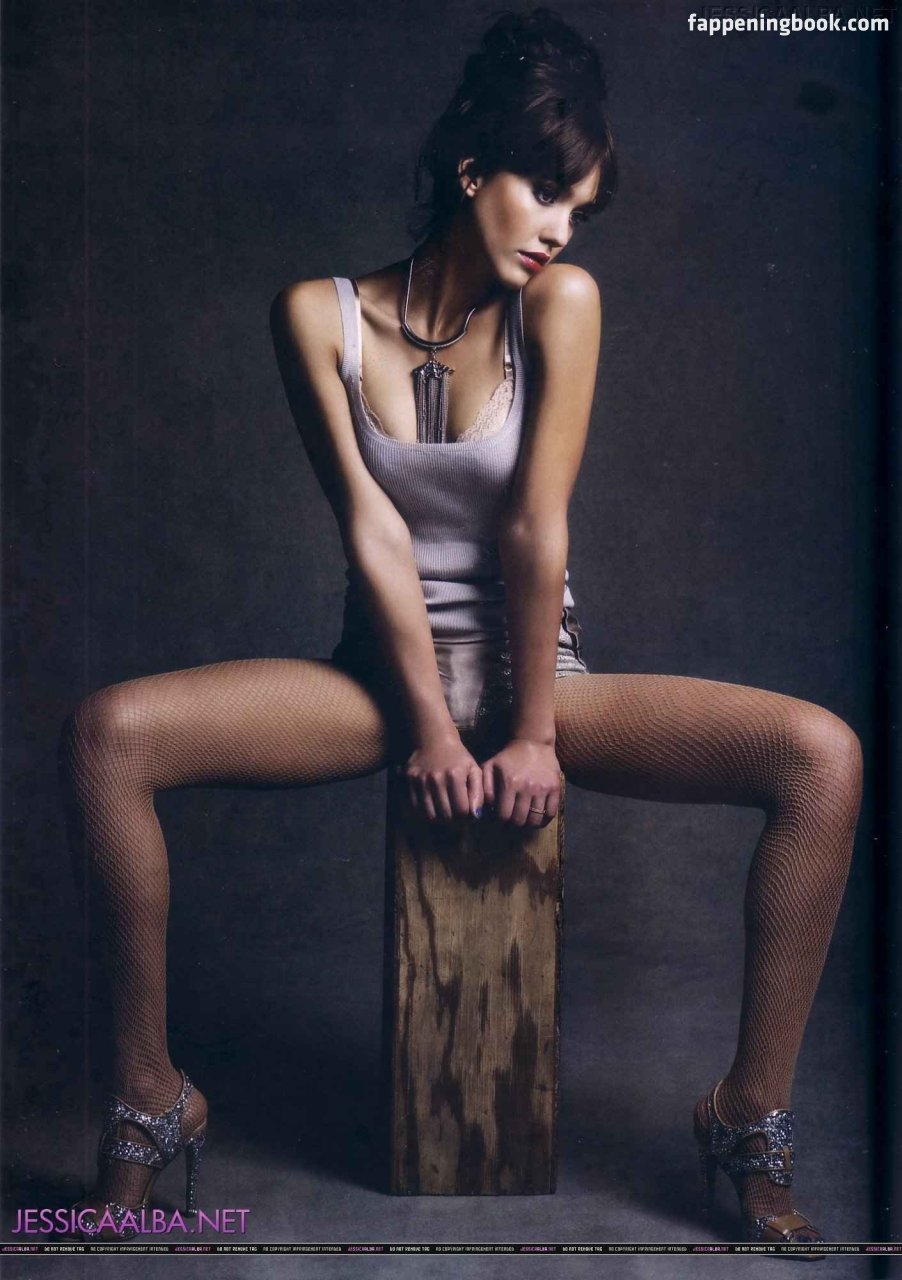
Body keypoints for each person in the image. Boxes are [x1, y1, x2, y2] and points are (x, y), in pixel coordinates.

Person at [59, 7, 862, 1247]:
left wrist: (530, 730)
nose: (559, 229)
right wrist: (429, 725)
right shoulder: (316, 315)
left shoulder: (560, 302)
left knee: (820, 756)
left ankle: (746, 1112)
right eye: (545, 191)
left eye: (579, 208)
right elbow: (372, 532)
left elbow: (536, 528)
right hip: (379, 682)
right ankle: (148, 1098)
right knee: (111, 735)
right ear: (472, 168)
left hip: (542, 675)